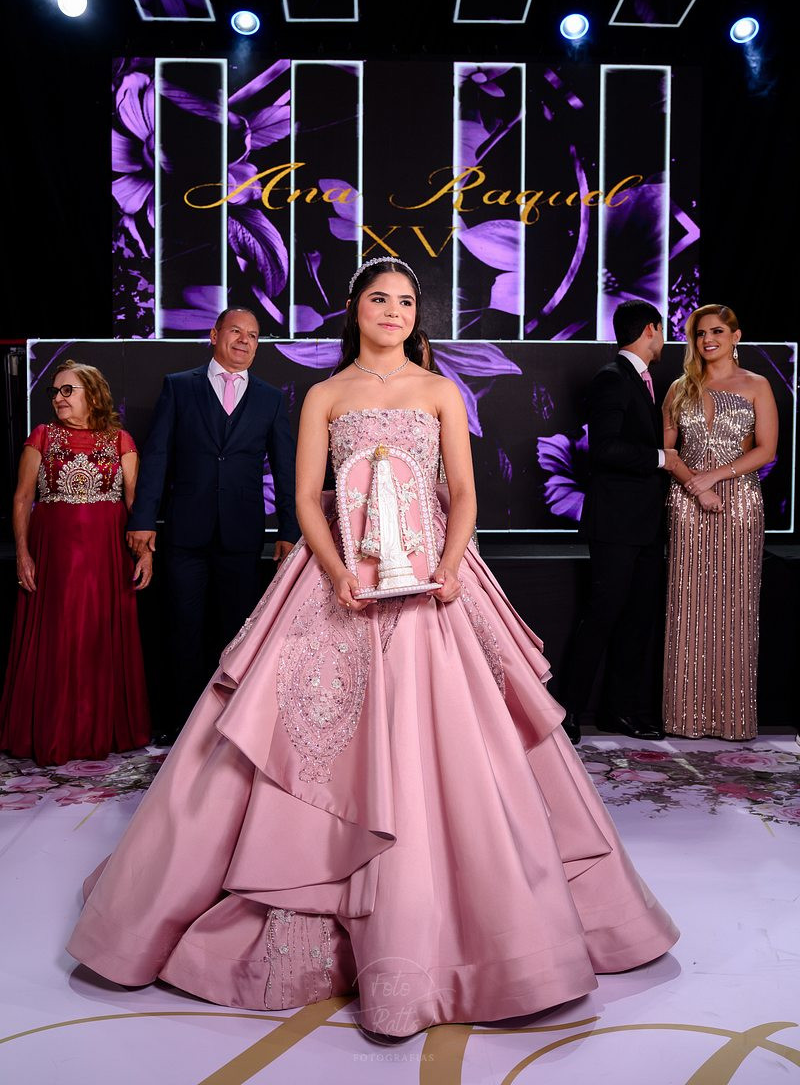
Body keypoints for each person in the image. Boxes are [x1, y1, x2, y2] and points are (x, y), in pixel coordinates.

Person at [67, 259, 678, 1041]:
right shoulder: (324, 394)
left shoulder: (439, 390)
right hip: (341, 580)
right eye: (380, 298)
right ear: (354, 307)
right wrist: (334, 573)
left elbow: (465, 493)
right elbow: (302, 500)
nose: (393, 310)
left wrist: (450, 567)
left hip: (431, 582)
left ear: (417, 315)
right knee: (285, 741)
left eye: (407, 301)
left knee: (461, 743)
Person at [126, 307, 300, 740]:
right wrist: (143, 518)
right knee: (183, 630)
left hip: (242, 535)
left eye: (253, 336)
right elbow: (157, 457)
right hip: (185, 532)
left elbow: (285, 468)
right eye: (236, 331)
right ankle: (182, 727)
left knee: (235, 630)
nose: (244, 341)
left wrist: (288, 530)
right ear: (214, 334)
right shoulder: (179, 387)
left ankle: (227, 730)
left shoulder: (270, 398)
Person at [0, 361, 151, 766]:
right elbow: (22, 499)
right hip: (55, 557)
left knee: (100, 637)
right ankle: (55, 733)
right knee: (58, 637)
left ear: (93, 395)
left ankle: (100, 731)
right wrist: (23, 553)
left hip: (106, 557)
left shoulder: (120, 440)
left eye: (68, 390)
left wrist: (146, 553)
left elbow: (135, 503)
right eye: (55, 391)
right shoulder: (42, 436)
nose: (59, 398)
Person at [560, 300, 678, 745]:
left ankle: (620, 712)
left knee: (637, 618)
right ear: (651, 330)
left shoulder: (641, 380)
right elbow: (605, 448)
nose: (663, 341)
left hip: (645, 525)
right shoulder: (612, 378)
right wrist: (663, 458)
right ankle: (567, 711)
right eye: (662, 332)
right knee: (602, 615)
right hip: (615, 524)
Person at [662, 305, 777, 740]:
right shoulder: (679, 388)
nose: (707, 339)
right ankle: (685, 718)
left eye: (716, 331)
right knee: (688, 607)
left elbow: (766, 450)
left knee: (735, 608)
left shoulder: (757, 385)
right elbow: (668, 453)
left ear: (735, 336)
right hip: (688, 503)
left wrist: (715, 477)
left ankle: (732, 719)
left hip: (739, 505)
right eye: (699, 333)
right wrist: (697, 486)